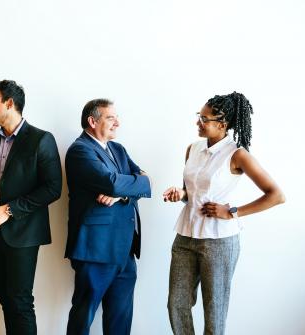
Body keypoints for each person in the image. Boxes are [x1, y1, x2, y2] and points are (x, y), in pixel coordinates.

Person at [163, 92, 285, 335]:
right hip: (185, 237)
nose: (198, 122)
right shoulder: (192, 149)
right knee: (176, 304)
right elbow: (192, 191)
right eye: (199, 116)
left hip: (218, 242)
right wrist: (181, 193)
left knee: (214, 310)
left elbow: (276, 195)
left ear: (223, 124)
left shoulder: (237, 154)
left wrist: (233, 212)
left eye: (204, 119)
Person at [0, 80, 62, 335]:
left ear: (9, 104)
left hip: (24, 234)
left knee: (20, 302)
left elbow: (53, 188)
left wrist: (9, 209)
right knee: (5, 300)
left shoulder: (41, 139)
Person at [64, 98, 151, 335]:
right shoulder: (80, 150)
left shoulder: (118, 149)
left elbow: (144, 181)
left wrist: (122, 196)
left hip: (125, 250)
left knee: (120, 321)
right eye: (111, 118)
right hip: (95, 250)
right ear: (93, 121)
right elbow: (111, 183)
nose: (117, 123)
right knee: (83, 316)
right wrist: (122, 188)